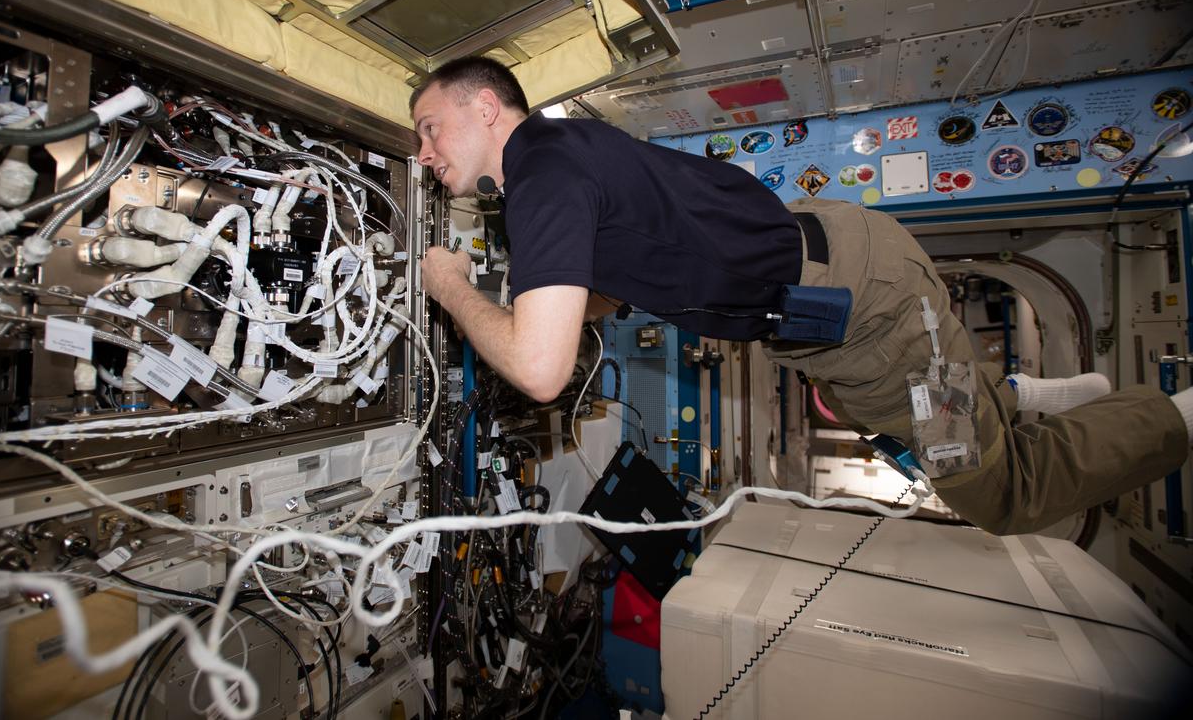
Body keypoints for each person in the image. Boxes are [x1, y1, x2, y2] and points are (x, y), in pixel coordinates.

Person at [412, 55, 1191, 535]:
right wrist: (561, 302)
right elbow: (616, 277)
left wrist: (449, 286)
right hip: (835, 305)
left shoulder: (542, 179)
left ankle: (1178, 415)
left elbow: (541, 373)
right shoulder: (560, 156)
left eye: (429, 127)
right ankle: (1021, 393)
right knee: (884, 416)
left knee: (995, 493)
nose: (423, 152)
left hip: (869, 310)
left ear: (485, 108)